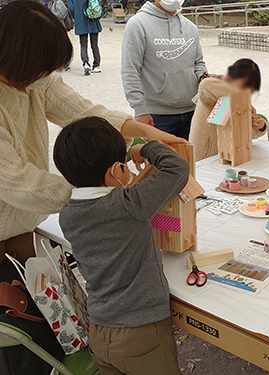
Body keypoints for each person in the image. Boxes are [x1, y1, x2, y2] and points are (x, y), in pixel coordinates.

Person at [0, 1, 186, 266]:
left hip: (26, 225)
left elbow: (83, 112)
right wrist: (103, 192)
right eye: (45, 69)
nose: (49, 77)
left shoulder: (34, 80)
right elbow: (21, 184)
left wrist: (145, 131)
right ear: (19, 58)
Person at [55, 117, 188, 375]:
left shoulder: (67, 214)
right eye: (125, 165)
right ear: (116, 170)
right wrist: (144, 148)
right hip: (142, 334)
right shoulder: (129, 204)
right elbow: (177, 169)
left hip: (100, 331)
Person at [122, 0, 207, 140]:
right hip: (157, 117)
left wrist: (204, 77)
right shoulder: (137, 24)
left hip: (193, 111)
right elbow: (130, 70)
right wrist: (139, 110)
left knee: (193, 161)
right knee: (164, 161)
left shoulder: (190, 27)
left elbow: (198, 63)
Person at [190, 59, 268, 161]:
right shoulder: (216, 91)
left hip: (229, 156)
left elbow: (247, 132)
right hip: (204, 155)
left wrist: (260, 126)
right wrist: (240, 99)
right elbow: (205, 85)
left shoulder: (241, 101)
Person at [68, 0, 102, 75]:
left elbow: (70, 8)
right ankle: (97, 65)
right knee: (95, 44)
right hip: (93, 19)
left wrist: (76, 16)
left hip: (81, 20)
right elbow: (99, 4)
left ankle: (86, 63)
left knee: (83, 44)